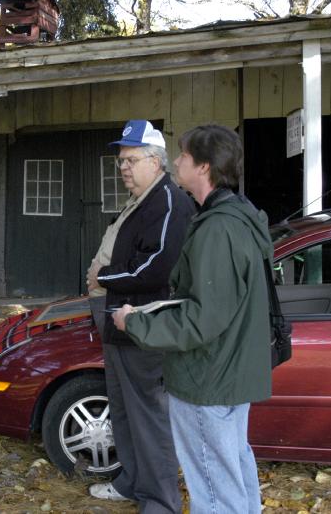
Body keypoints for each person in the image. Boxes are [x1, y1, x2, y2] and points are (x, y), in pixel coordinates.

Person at [112, 124, 273, 514]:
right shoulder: (237, 218)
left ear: (203, 167)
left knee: (214, 489)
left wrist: (134, 323)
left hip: (207, 378)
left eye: (183, 155)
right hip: (229, 373)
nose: (176, 160)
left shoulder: (218, 228)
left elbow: (202, 319)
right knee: (233, 470)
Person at [84, 120, 195, 512]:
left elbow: (156, 267)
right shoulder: (141, 200)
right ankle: (131, 481)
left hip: (143, 327)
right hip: (120, 322)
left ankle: (160, 501)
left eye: (131, 160)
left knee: (148, 417)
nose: (123, 168)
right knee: (124, 410)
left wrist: (103, 277)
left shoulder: (167, 202)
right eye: (121, 161)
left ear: (156, 161)